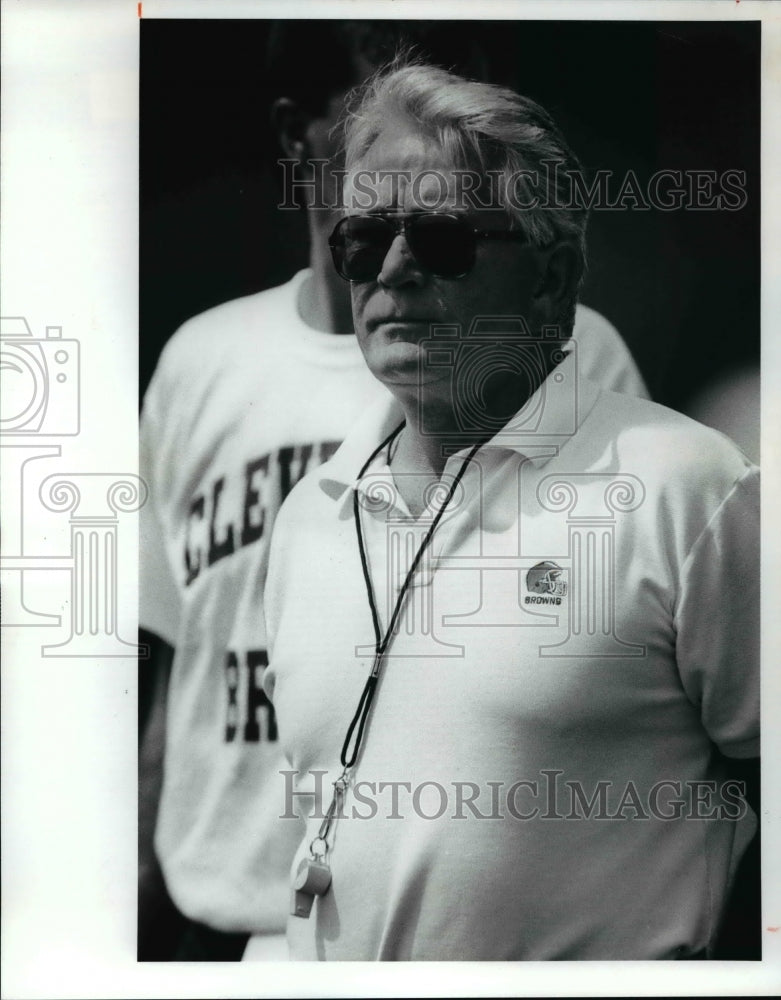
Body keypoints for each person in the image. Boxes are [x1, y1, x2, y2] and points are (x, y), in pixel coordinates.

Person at [138, 24, 649, 960]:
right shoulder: (203, 363)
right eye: (390, 86)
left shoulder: (564, 355)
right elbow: (170, 671)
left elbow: (650, 645)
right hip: (233, 927)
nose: (432, 116)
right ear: (301, 134)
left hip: (477, 932)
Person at [263, 61, 759, 960]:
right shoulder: (311, 514)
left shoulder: (684, 484)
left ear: (551, 275)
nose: (397, 270)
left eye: (444, 238)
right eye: (364, 241)